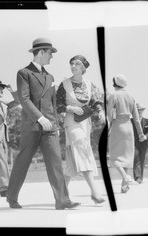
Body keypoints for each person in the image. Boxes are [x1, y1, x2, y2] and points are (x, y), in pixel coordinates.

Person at [6, 38, 80, 210]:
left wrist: (56, 125)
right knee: (23, 161)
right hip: (32, 125)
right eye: (49, 53)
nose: (51, 57)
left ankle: (62, 200)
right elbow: (24, 99)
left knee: (55, 162)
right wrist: (40, 118)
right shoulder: (23, 73)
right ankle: (11, 196)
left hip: (50, 127)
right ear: (40, 52)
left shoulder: (50, 76)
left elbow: (52, 104)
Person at [56, 55, 106, 205]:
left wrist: (101, 111)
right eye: (71, 64)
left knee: (72, 163)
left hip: (85, 124)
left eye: (76, 64)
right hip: (71, 123)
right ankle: (95, 192)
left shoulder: (90, 84)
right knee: (84, 153)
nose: (73, 66)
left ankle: (61, 196)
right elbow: (57, 104)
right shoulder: (64, 84)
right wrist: (70, 108)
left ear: (83, 67)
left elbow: (96, 101)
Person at [107, 74, 146, 193]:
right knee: (127, 157)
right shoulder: (130, 96)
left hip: (118, 126)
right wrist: (140, 133)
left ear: (115, 83)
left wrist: (109, 127)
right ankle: (124, 186)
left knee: (114, 156)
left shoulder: (114, 95)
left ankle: (125, 177)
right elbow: (137, 118)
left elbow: (109, 114)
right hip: (129, 126)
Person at [132, 103, 148, 184]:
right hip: (134, 143)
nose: (139, 112)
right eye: (137, 110)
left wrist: (145, 137)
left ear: (142, 111)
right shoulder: (131, 121)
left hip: (143, 143)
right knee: (136, 158)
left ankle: (140, 178)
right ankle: (137, 177)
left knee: (142, 160)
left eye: (140, 110)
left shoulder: (147, 121)